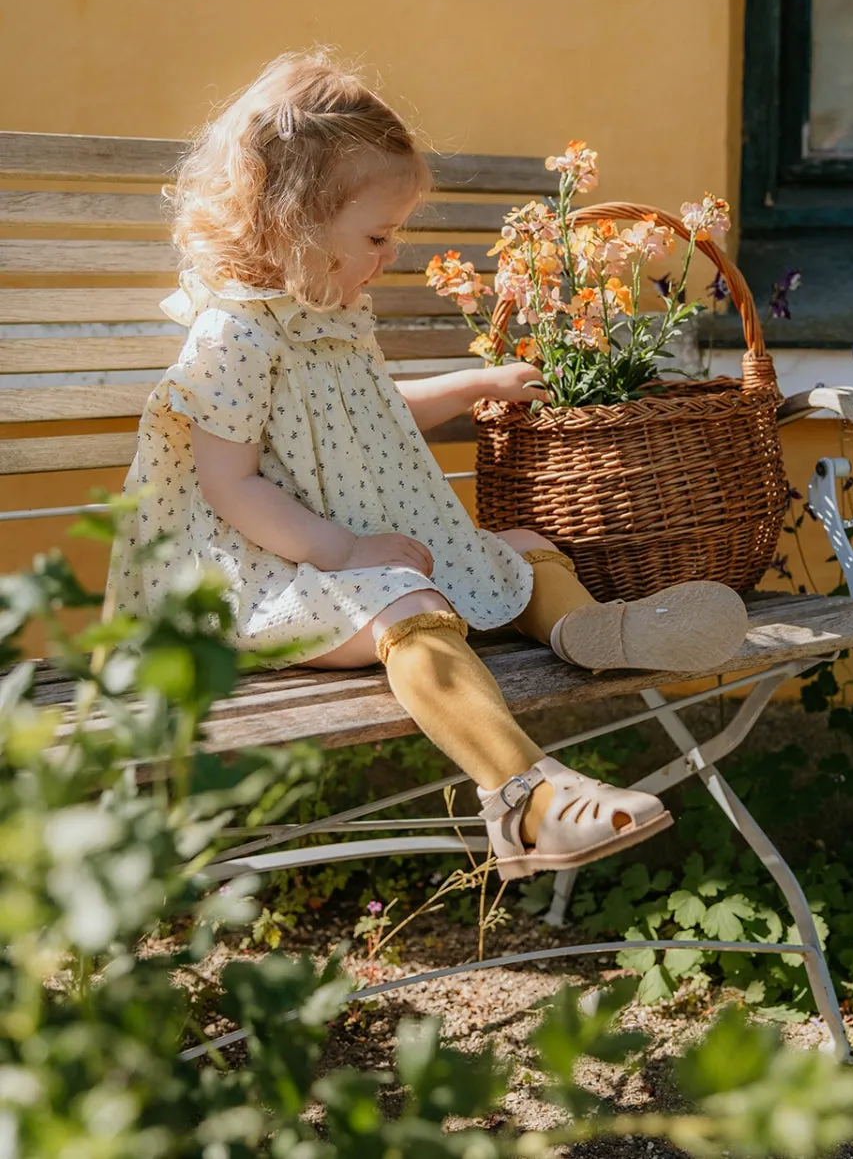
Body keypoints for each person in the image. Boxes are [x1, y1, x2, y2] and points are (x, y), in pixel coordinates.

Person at [108, 51, 750, 880]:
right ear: (295, 220)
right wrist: (342, 552)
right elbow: (228, 483)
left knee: (514, 543)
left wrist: (474, 384)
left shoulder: (332, 317)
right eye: (376, 236)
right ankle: (525, 799)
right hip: (261, 576)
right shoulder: (236, 334)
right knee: (404, 596)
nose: (389, 255)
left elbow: (372, 415)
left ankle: (594, 631)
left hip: (344, 553)